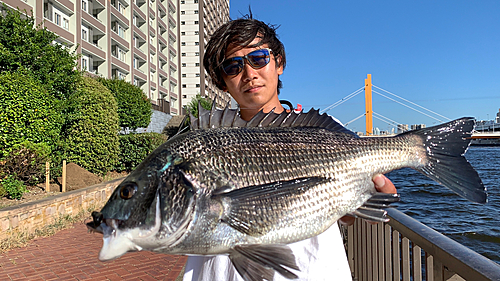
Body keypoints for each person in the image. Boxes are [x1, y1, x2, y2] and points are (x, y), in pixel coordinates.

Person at [183, 15, 397, 281]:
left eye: (258, 58)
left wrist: (365, 198)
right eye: (233, 67)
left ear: (279, 63)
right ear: (220, 81)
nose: (249, 74)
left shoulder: (322, 133)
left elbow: (347, 217)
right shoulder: (207, 141)